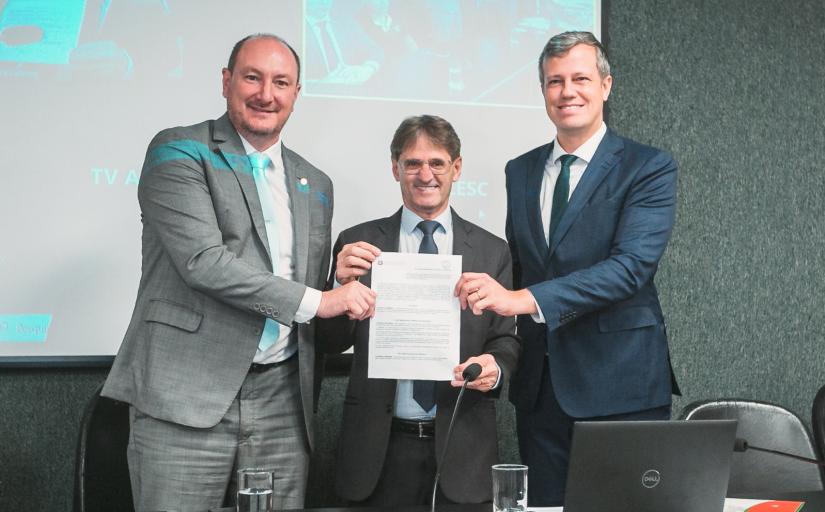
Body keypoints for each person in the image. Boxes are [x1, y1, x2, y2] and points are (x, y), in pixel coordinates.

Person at [101, 34, 376, 512]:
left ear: (296, 93)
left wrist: (342, 289)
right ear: (227, 81)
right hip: (184, 398)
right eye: (252, 77)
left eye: (281, 82)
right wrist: (321, 300)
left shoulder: (317, 184)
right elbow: (203, 263)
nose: (266, 94)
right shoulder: (178, 151)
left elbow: (306, 297)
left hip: (282, 404)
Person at [454, 31, 680, 506]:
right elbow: (515, 262)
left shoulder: (648, 167)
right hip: (541, 391)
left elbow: (630, 269)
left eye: (580, 78)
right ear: (542, 92)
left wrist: (525, 299)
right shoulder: (521, 170)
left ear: (606, 85)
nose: (567, 91)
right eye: (554, 81)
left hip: (622, 389)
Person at [318, 115, 520, 506]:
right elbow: (328, 342)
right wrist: (338, 292)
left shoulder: (492, 251)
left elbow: (505, 340)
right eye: (412, 163)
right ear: (395, 168)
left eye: (437, 163)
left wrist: (496, 369)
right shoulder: (358, 243)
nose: (424, 174)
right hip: (377, 450)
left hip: (463, 451)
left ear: (456, 168)